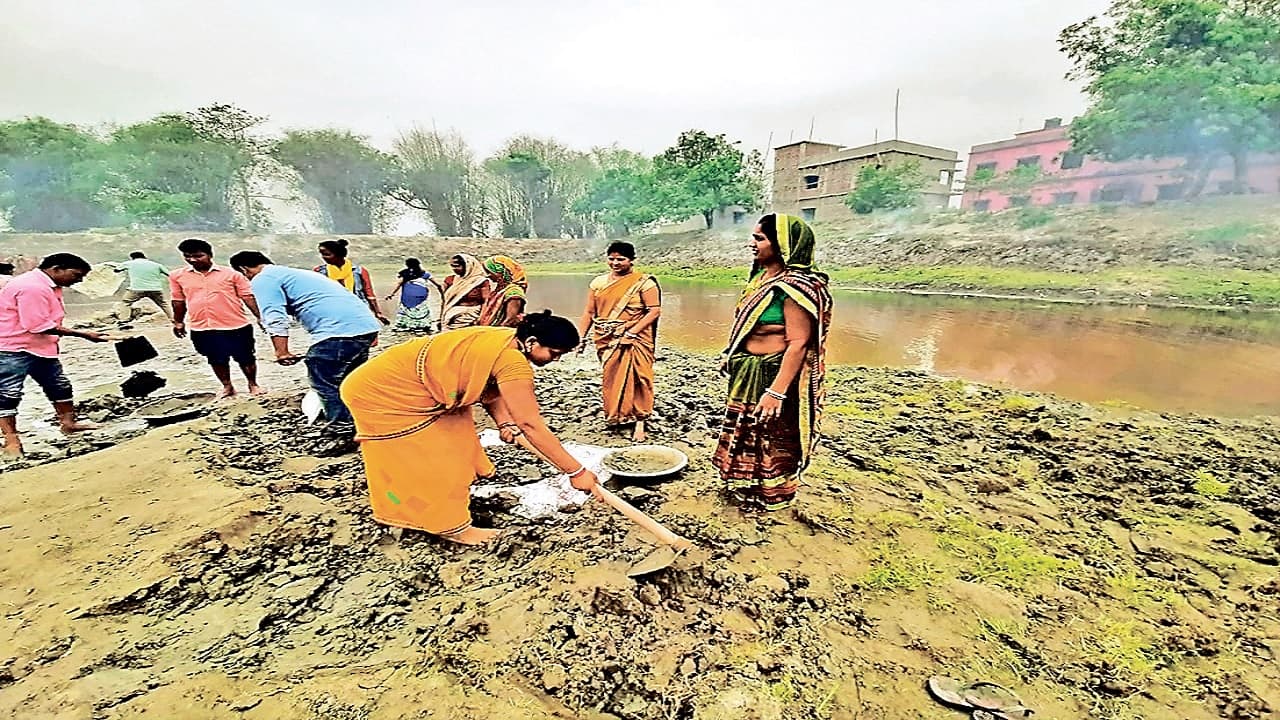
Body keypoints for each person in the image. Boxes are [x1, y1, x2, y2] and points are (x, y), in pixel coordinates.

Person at [340, 312, 596, 545]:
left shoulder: (507, 339)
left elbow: (486, 384)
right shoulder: (512, 361)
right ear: (531, 342)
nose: (555, 360)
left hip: (417, 387)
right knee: (437, 458)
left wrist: (504, 422)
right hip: (384, 393)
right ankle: (450, 526)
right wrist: (576, 471)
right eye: (554, 353)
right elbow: (530, 424)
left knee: (459, 443)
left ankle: (430, 505)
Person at [712, 214, 832, 512]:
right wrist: (731, 353)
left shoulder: (794, 288)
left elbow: (799, 343)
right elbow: (748, 324)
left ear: (783, 246)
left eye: (760, 238)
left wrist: (776, 391)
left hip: (773, 372)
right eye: (753, 237)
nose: (751, 244)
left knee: (769, 434)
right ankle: (742, 484)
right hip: (747, 369)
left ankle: (772, 494)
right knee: (744, 428)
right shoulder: (759, 279)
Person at [229, 251, 381, 442]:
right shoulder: (295, 273)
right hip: (363, 327)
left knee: (324, 380)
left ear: (244, 270)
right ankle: (363, 421)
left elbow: (274, 315)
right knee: (350, 380)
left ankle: (342, 431)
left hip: (339, 331)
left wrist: (281, 351)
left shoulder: (263, 278)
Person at [0, 253, 111, 457]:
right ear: (57, 269)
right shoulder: (32, 287)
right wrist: (84, 334)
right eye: (76, 275)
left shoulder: (50, 285)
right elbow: (37, 325)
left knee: (59, 386)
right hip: (13, 348)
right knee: (8, 394)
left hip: (41, 346)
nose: (79, 280)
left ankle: (68, 424)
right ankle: (11, 439)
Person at [577, 242, 662, 443]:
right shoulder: (598, 283)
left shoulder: (644, 283)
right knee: (612, 377)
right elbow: (589, 312)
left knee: (639, 377)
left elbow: (654, 311)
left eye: (621, 259)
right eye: (611, 259)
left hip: (635, 338)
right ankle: (618, 415)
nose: (615, 263)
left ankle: (640, 420)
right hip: (606, 337)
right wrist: (581, 337)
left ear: (632, 260)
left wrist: (632, 333)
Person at [170, 239, 264, 399]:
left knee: (245, 357)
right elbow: (178, 300)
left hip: (235, 325)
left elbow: (248, 297)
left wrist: (260, 317)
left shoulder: (232, 275)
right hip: (202, 326)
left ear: (210, 254)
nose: (192, 260)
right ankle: (227, 386)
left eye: (198, 256)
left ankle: (253, 384)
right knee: (215, 359)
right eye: (188, 256)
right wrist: (178, 321)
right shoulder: (177, 276)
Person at [314, 239, 388, 325]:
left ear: (339, 254)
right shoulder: (319, 272)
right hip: (332, 313)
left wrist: (377, 313)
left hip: (357, 311)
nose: (323, 257)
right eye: (322, 254)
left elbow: (369, 294)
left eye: (327, 254)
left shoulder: (359, 271)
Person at [112, 251, 174, 322]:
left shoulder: (129, 263)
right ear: (144, 256)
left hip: (136, 289)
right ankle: (173, 318)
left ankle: (124, 320)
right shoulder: (157, 265)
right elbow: (170, 275)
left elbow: (116, 270)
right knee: (163, 304)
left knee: (126, 302)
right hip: (155, 289)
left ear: (132, 258)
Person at [384, 258, 442, 332]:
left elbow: (398, 284)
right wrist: (442, 291)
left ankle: (406, 325)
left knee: (407, 309)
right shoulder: (424, 274)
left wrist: (391, 294)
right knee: (421, 309)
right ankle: (423, 325)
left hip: (407, 297)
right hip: (421, 297)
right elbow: (437, 284)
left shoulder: (405, 274)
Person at [439, 254, 490, 330]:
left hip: (472, 315)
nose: (454, 269)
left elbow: (486, 301)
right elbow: (444, 301)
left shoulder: (480, 281)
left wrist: (481, 317)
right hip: (451, 315)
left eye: (457, 266)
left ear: (467, 266)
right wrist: (440, 318)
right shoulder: (449, 280)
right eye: (452, 266)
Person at [476, 255, 527, 328]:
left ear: (501, 272)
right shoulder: (499, 289)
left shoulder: (514, 291)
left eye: (490, 272)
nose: (488, 276)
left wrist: (497, 331)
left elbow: (510, 319)